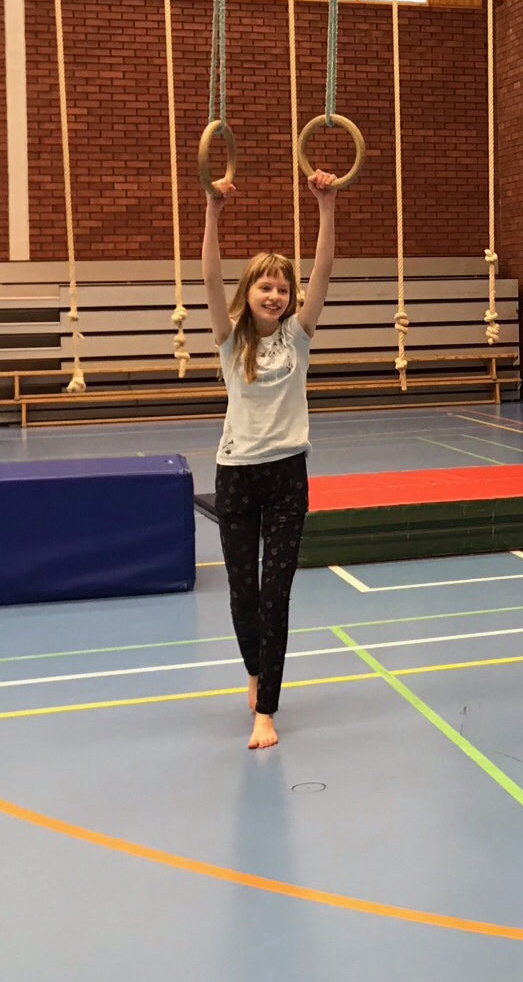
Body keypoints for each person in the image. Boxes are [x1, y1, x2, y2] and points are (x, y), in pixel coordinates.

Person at [203, 168, 338, 749]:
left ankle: (267, 711)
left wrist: (326, 208)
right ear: (249, 293)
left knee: (275, 593)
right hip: (236, 476)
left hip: (286, 476)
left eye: (282, 288)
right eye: (265, 286)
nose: (275, 295)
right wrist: (213, 211)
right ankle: (255, 671)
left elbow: (323, 271)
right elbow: (208, 277)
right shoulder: (230, 339)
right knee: (243, 594)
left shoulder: (298, 337)